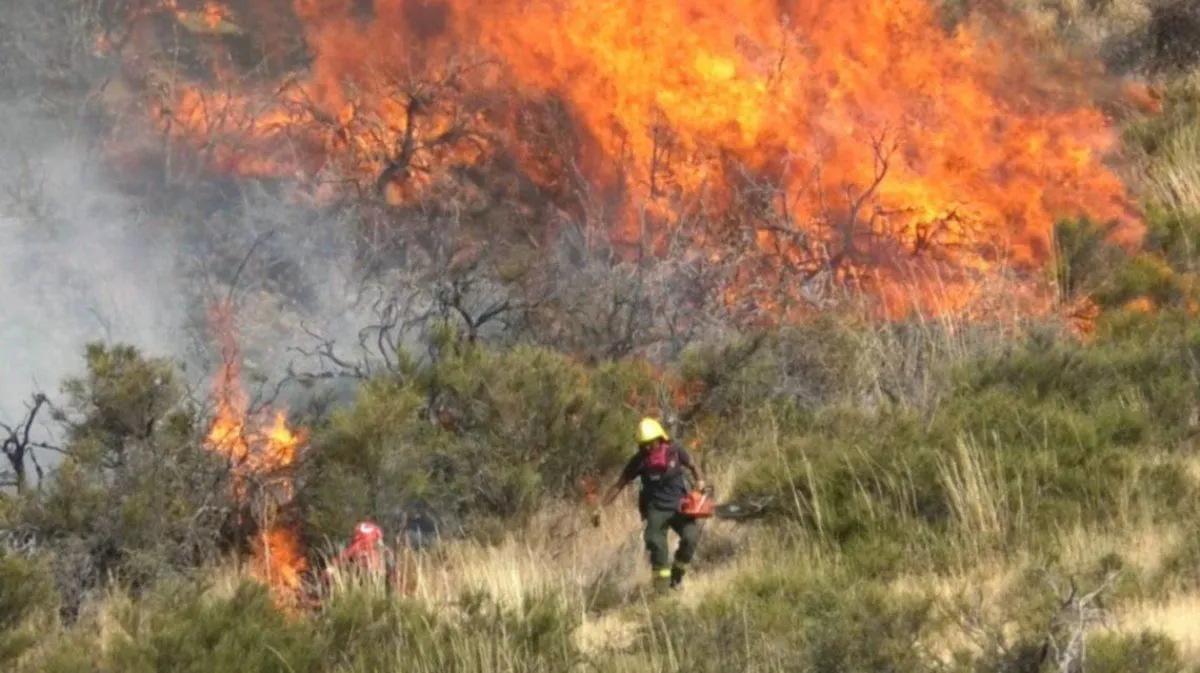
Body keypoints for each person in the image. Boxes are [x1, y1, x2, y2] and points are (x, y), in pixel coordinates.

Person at [596, 417, 706, 592]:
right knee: (656, 546)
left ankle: (676, 577)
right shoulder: (639, 460)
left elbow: (693, 465)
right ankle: (662, 593)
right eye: (643, 444)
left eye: (650, 443)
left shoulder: (675, 451)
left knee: (690, 538)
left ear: (660, 439)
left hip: (681, 506)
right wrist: (600, 508)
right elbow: (619, 484)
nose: (647, 448)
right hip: (655, 510)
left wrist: (700, 482)